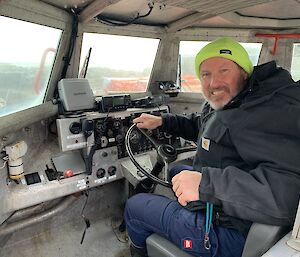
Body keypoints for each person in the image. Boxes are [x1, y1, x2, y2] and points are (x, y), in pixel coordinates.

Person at [124, 37, 300, 257]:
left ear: (244, 73)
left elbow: (286, 195)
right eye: (206, 74)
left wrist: (206, 185)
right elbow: (205, 125)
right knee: (177, 171)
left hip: (228, 234)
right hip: (226, 208)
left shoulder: (268, 112)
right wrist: (164, 121)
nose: (213, 83)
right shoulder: (241, 101)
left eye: (224, 71)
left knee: (135, 206)